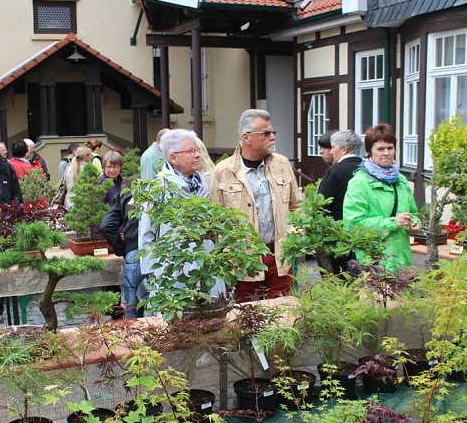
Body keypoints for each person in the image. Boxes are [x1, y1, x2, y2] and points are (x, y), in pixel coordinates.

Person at [211, 109, 301, 302]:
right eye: (266, 133)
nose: (273, 137)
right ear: (246, 137)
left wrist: (295, 236)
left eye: (273, 132)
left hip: (280, 254)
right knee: (248, 315)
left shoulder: (282, 164)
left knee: (284, 313)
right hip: (245, 260)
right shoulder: (223, 171)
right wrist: (227, 256)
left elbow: (297, 205)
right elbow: (216, 220)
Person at [139, 129, 225, 305]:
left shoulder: (204, 184)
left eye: (197, 150)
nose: (197, 155)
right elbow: (146, 234)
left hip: (206, 262)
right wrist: (151, 271)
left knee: (212, 312)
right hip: (174, 265)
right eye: (190, 151)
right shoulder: (158, 188)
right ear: (173, 158)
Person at [343, 123, 419, 271]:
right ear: (370, 151)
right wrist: (392, 222)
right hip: (373, 261)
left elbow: (413, 213)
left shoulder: (401, 180)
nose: (386, 153)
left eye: (390, 148)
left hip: (400, 259)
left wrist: (414, 225)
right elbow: (353, 224)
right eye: (380, 149)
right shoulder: (359, 182)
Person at [317, 130, 364, 275]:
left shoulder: (336, 171)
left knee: (336, 280)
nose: (330, 152)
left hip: (336, 236)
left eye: (332, 147)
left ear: (343, 149)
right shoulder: (367, 169)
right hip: (360, 234)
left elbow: (320, 204)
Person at [101, 189, 144, 318]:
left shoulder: (128, 194)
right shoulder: (169, 190)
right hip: (161, 252)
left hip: (134, 251)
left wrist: (122, 248)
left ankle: (134, 335)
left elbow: (106, 226)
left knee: (133, 311)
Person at [62, 146, 93, 210]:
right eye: (90, 155)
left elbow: (65, 185)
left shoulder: (69, 167)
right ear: (85, 156)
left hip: (69, 202)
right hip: (83, 203)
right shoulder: (87, 169)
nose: (91, 157)